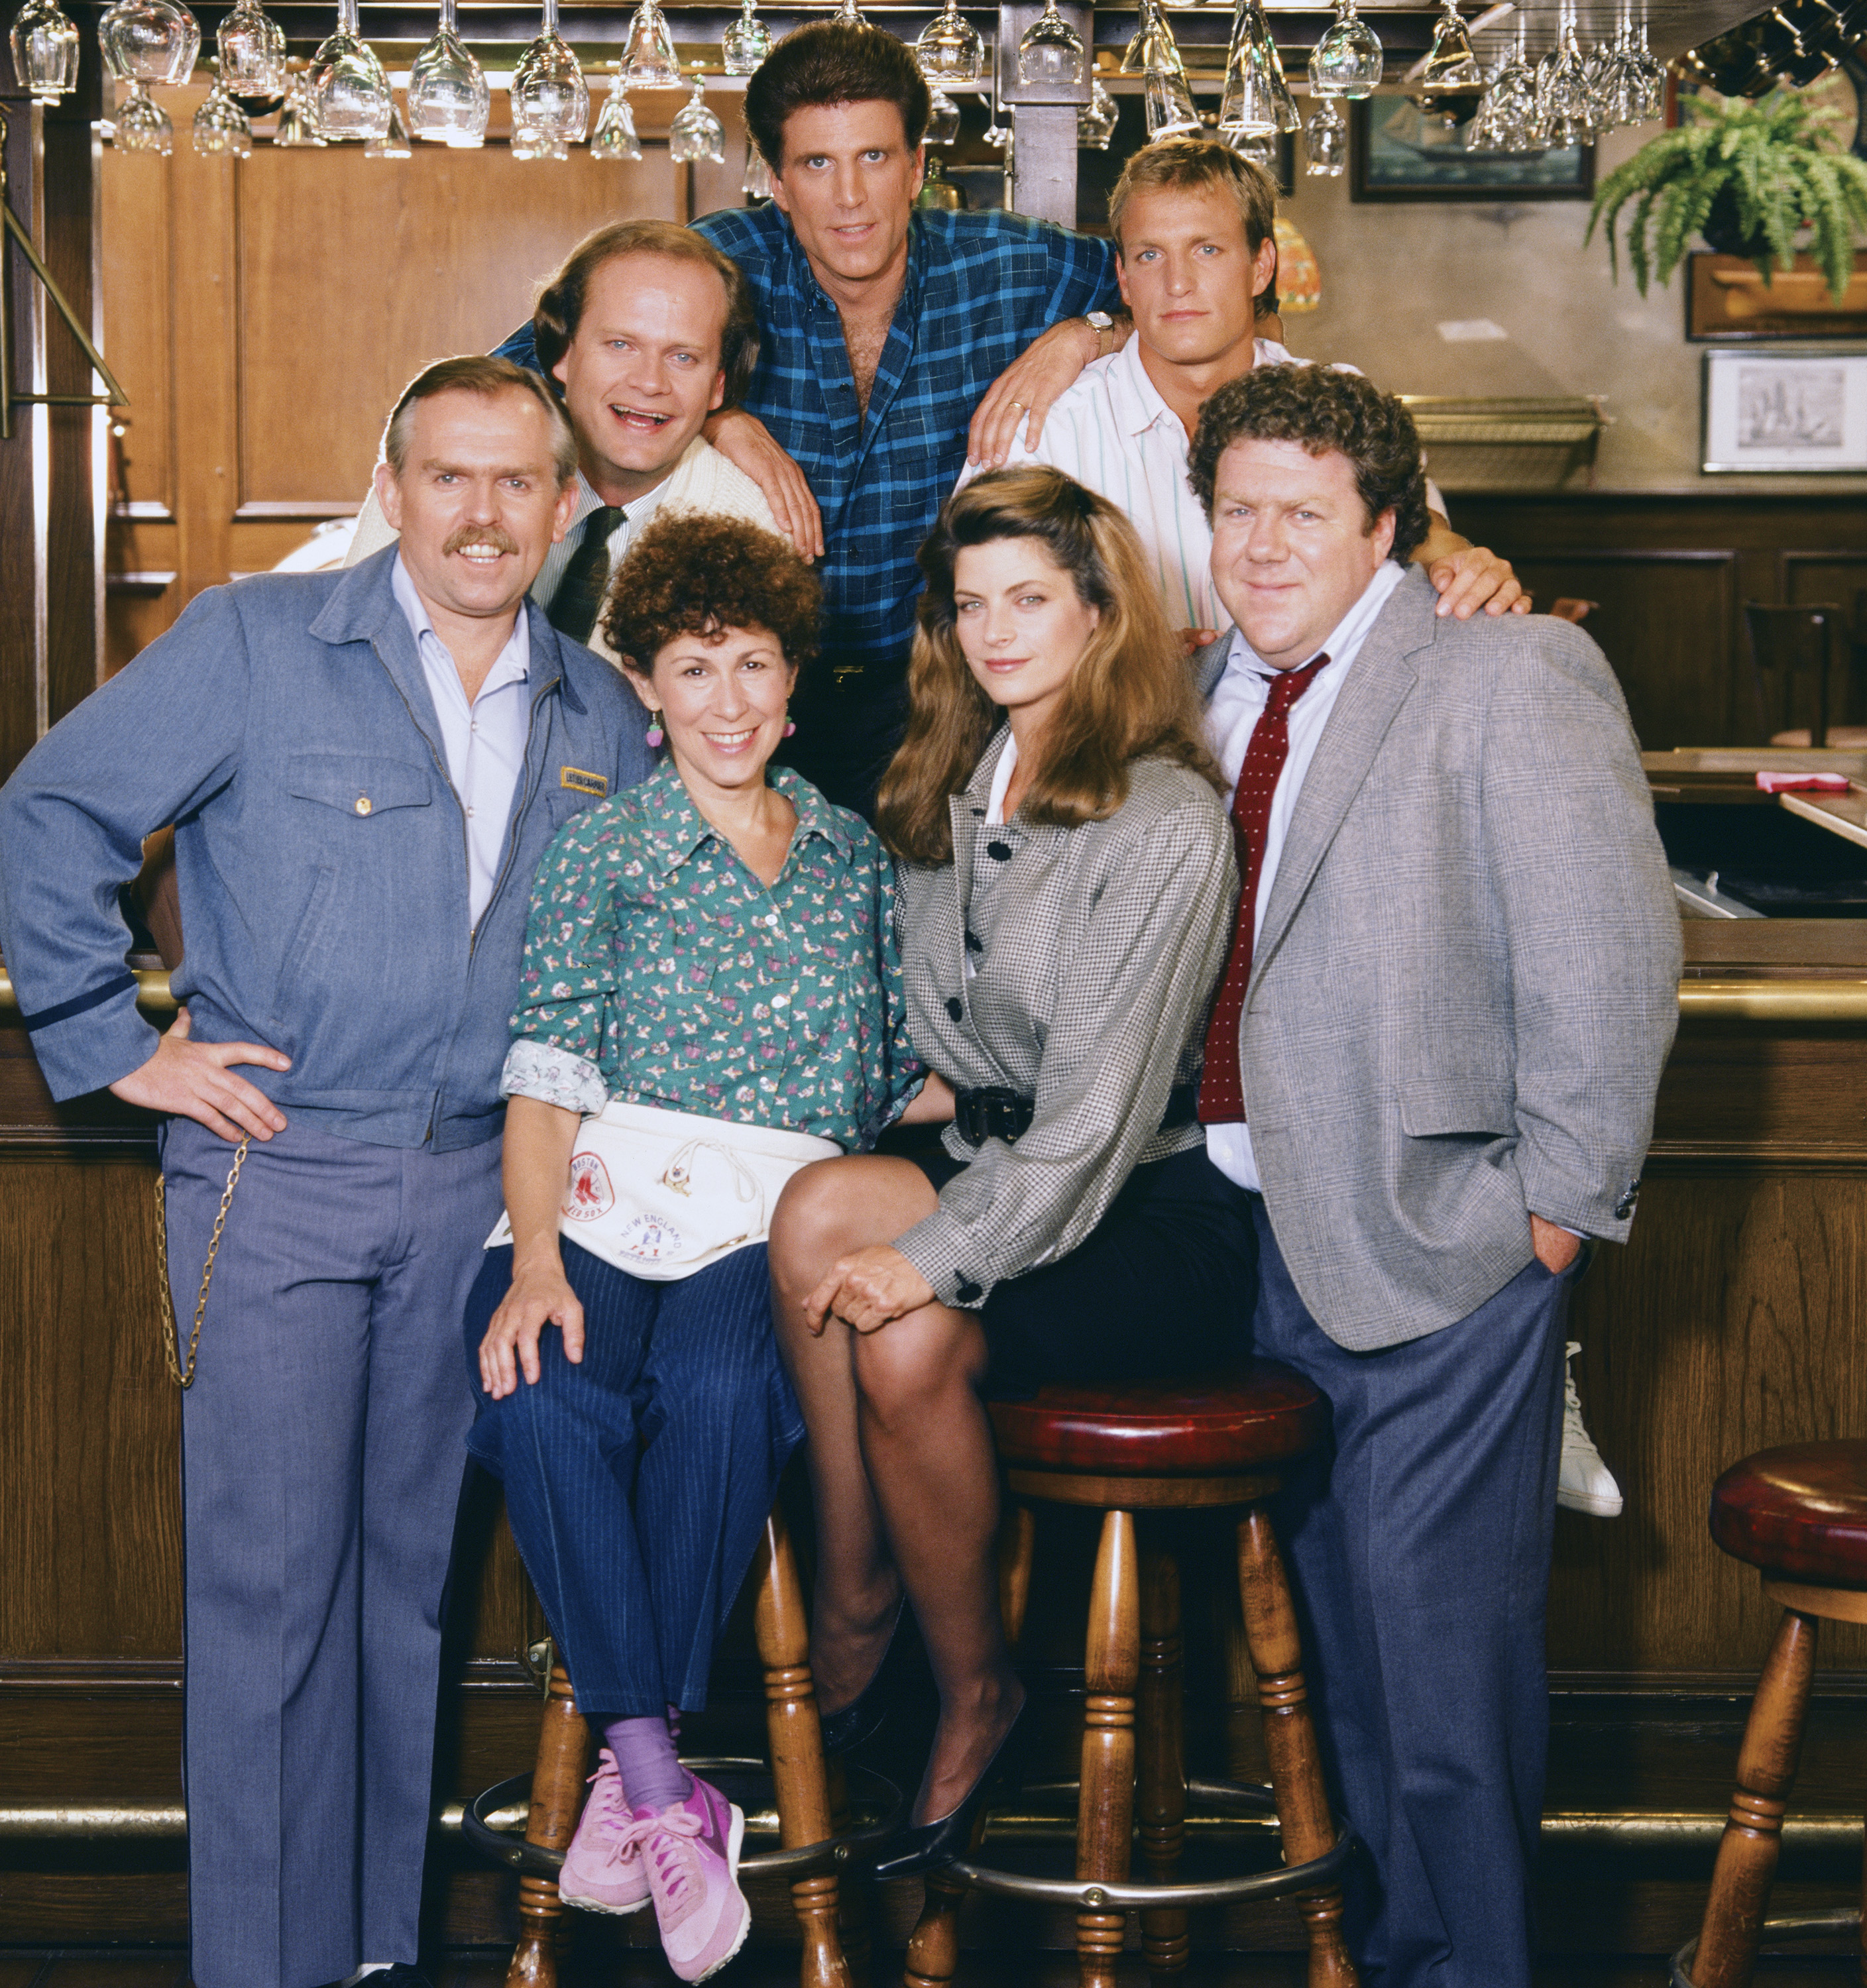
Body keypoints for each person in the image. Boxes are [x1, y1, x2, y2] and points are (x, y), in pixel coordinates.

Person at [0, 356, 651, 1988]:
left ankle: (366, 1956)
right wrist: (107, 1033)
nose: (485, 514)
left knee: (403, 1604)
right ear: (392, 485)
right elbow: (50, 808)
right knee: (271, 1602)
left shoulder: (604, 709)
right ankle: (259, 1969)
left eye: (518, 482)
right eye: (450, 476)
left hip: (483, 1203)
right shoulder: (252, 644)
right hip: (277, 1175)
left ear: (566, 509)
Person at [1185, 363, 1679, 1985]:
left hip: (1445, 1244)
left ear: (1388, 528)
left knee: (1441, 1680)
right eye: (1236, 510)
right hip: (1253, 1244)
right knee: (1344, 1671)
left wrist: (1549, 1214)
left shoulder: (1506, 666)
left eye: (1303, 515)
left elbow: (1608, 955)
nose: (1263, 546)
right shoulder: (1198, 694)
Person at [764, 467, 1255, 1873]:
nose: (992, 632)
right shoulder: (945, 783)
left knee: (909, 1334)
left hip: (1145, 1212)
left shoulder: (1159, 817)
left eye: (1027, 599)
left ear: (1100, 612)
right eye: (970, 603)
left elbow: (1092, 1120)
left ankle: (975, 1690)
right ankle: (857, 1595)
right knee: (813, 1208)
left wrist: (925, 1259)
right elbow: (942, 1055)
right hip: (998, 1165)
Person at [464, 511, 934, 1981]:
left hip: (772, 1217)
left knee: (726, 1396)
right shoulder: (601, 848)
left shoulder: (856, 858)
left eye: (751, 665)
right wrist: (535, 1260)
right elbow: (544, 1078)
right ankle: (663, 1783)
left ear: (793, 683)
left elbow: (893, 1077)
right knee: (541, 1387)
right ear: (648, 689)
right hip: (600, 1194)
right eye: (691, 667)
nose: (726, 699)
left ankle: (634, 1768)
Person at [499, 25, 1129, 812]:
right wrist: (709, 414)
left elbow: (1215, 307)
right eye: (817, 164)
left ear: (917, 167)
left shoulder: (1011, 265)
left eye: (874, 157)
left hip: (940, 705)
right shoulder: (720, 261)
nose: (850, 198)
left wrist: (1086, 335)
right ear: (778, 179)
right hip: (743, 708)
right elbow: (519, 370)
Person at [982, 137, 1526, 643]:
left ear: (1261, 266)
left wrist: (1461, 560)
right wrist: (1116, 666)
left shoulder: (1338, 399)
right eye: (1150, 255)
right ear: (1123, 278)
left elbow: (1418, 531)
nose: (1177, 283)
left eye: (1207, 250)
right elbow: (987, 613)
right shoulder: (1041, 431)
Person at [353, 221, 778, 663]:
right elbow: (349, 659)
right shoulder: (439, 465)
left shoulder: (750, 530)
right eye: (620, 345)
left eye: (683, 357)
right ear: (564, 354)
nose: (650, 383)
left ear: (717, 386)